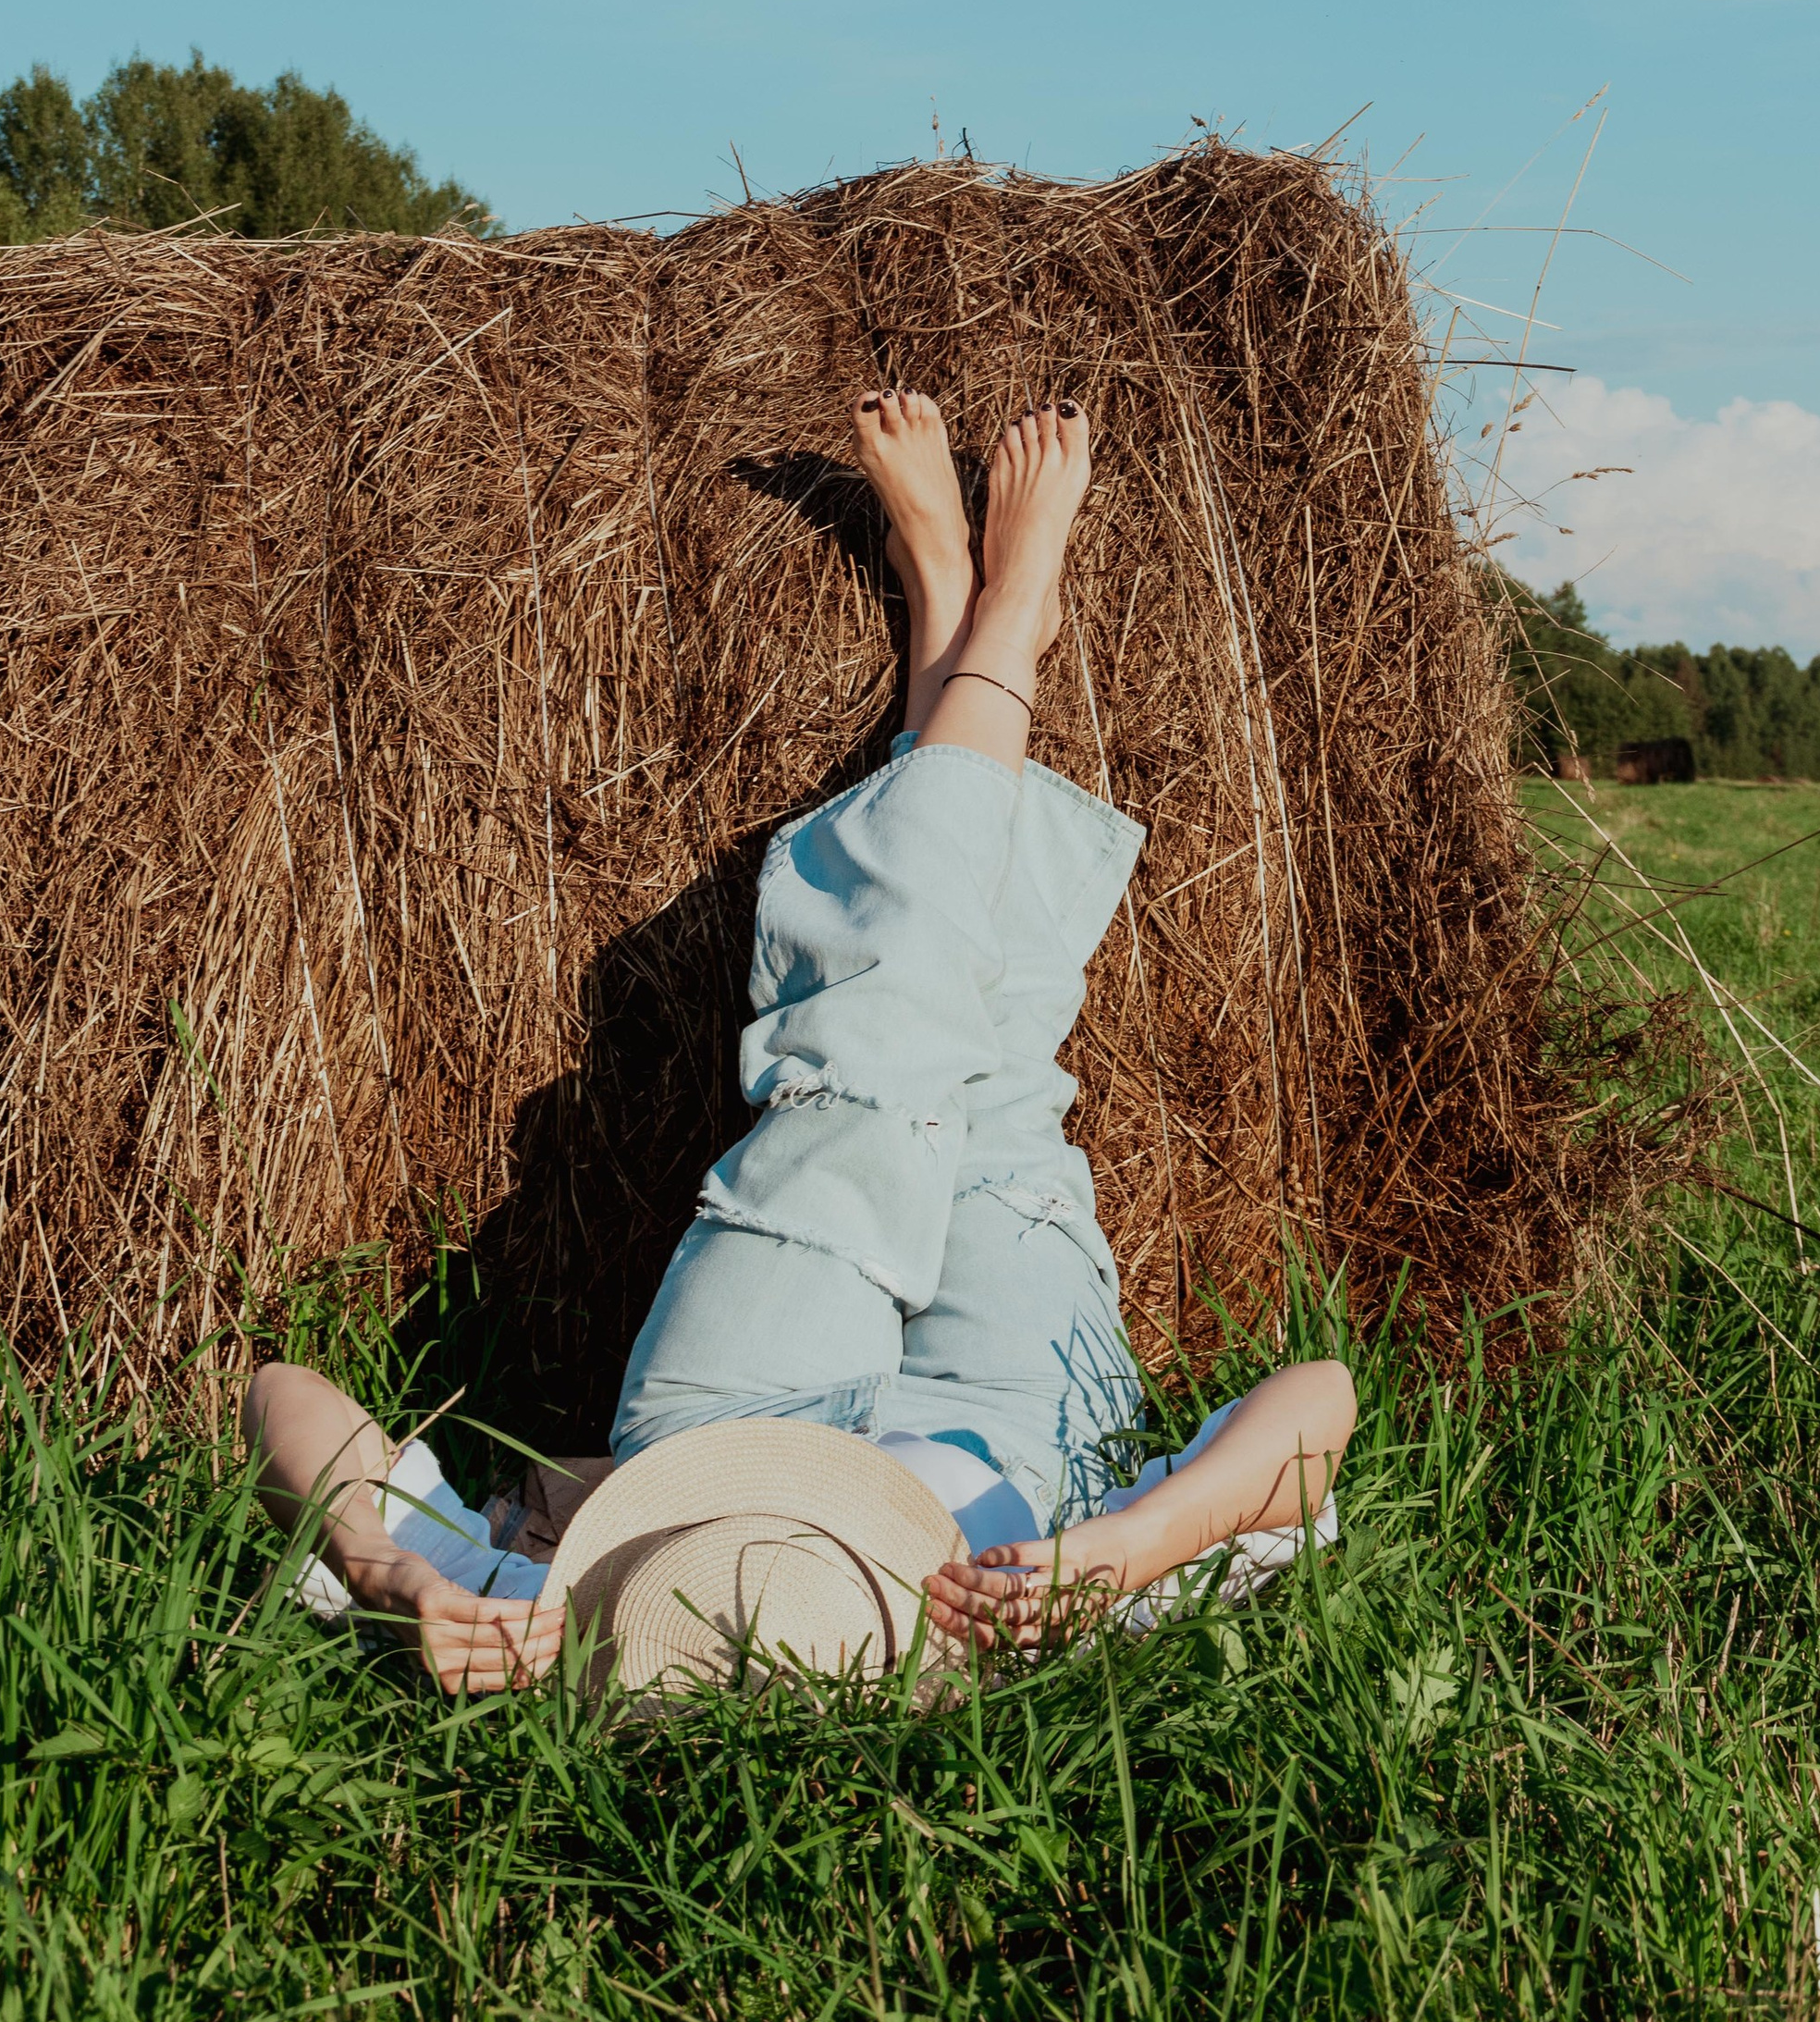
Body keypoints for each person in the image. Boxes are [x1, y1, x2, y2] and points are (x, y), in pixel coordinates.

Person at [244, 393, 1356, 1695]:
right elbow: (1318, 1404)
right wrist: (1129, 1546)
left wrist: (399, 1581)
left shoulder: (598, 1623)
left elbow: (280, 1400)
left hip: (719, 1443)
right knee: (994, 1074)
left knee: (866, 1074)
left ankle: (982, 626)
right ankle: (986, 628)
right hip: (1016, 1430)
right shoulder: (1038, 1613)